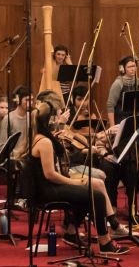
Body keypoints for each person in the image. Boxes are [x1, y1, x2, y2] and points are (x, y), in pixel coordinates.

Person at [25, 100, 131, 253]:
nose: (61, 119)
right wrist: (73, 183)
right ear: (51, 120)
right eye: (58, 116)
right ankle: (104, 242)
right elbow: (50, 175)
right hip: (47, 190)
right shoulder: (45, 142)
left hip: (48, 187)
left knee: (88, 192)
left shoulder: (41, 137)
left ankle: (72, 232)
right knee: (97, 196)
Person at [106, 55, 139, 124]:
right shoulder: (118, 83)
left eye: (134, 66)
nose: (133, 69)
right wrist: (112, 125)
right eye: (129, 67)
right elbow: (110, 105)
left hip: (136, 119)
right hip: (121, 120)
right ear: (122, 69)